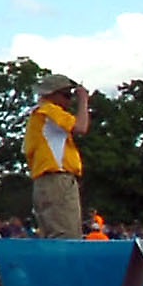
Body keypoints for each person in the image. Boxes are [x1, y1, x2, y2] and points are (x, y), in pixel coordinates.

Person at [23, 72, 90, 240]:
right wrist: (84, 100)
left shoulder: (38, 115)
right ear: (52, 94)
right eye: (67, 95)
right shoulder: (49, 110)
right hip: (57, 179)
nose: (70, 101)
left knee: (52, 237)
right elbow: (81, 127)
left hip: (45, 182)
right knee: (67, 237)